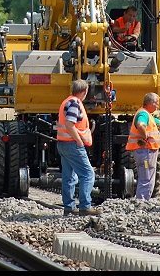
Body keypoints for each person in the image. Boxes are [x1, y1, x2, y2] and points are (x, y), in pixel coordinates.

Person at [56, 79, 100, 216]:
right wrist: (79, 141)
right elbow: (70, 124)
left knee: (69, 177)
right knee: (87, 174)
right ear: (84, 91)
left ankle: (69, 207)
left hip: (63, 143)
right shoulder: (75, 103)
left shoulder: (67, 101)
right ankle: (85, 206)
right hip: (72, 144)